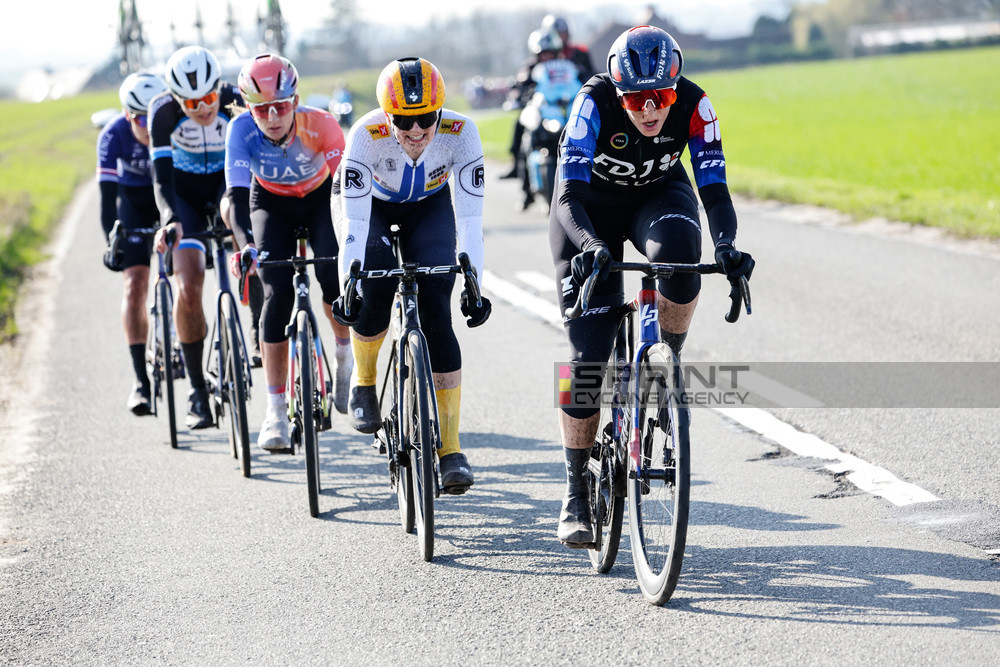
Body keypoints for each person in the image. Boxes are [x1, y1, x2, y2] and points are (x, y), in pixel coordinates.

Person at [549, 26, 755, 546]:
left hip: (657, 196)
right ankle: (576, 490)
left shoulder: (696, 104)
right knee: (585, 362)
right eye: (636, 99)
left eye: (660, 97)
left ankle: (666, 360)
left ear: (674, 88)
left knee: (682, 259)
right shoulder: (591, 103)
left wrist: (727, 245)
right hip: (587, 212)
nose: (648, 110)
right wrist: (591, 245)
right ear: (618, 92)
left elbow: (715, 190)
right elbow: (568, 195)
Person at [331, 57, 492, 495]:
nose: (417, 131)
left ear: (440, 111)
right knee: (375, 285)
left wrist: (474, 284)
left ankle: (451, 449)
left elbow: (470, 220)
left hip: (429, 206)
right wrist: (349, 283)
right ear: (388, 117)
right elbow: (355, 226)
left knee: (437, 304)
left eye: (426, 118)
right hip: (370, 208)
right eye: (404, 121)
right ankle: (364, 381)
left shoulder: (462, 132)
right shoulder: (365, 135)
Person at [225, 53, 353, 451]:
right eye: (261, 109)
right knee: (276, 295)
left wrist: (353, 239)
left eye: (281, 106)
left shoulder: (322, 124)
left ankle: (344, 357)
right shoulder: (240, 131)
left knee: (332, 276)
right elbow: (235, 196)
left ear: (295, 101)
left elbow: (345, 190)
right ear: (249, 108)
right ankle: (275, 410)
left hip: (321, 200)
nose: (272, 117)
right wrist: (246, 245)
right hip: (271, 204)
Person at [150, 45, 260, 430]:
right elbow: (161, 180)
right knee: (189, 284)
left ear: (219, 88)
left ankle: (256, 323)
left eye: (209, 98)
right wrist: (169, 219)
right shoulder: (162, 112)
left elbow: (255, 158)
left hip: (226, 183)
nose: (203, 108)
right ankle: (198, 390)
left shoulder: (235, 99)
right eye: (191, 103)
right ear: (175, 98)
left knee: (241, 225)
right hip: (184, 194)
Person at [97, 72, 167, 415]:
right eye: (140, 119)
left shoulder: (172, 124)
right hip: (134, 201)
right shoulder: (113, 135)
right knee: (135, 285)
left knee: (190, 273)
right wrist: (112, 243)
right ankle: (141, 381)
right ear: (127, 115)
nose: (149, 126)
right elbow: (107, 200)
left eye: (153, 118)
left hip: (168, 196)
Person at [541, 14, 595, 81]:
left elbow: (590, 75)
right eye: (557, 34)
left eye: (563, 33)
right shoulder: (542, 55)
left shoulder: (579, 53)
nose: (560, 37)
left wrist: (578, 70)